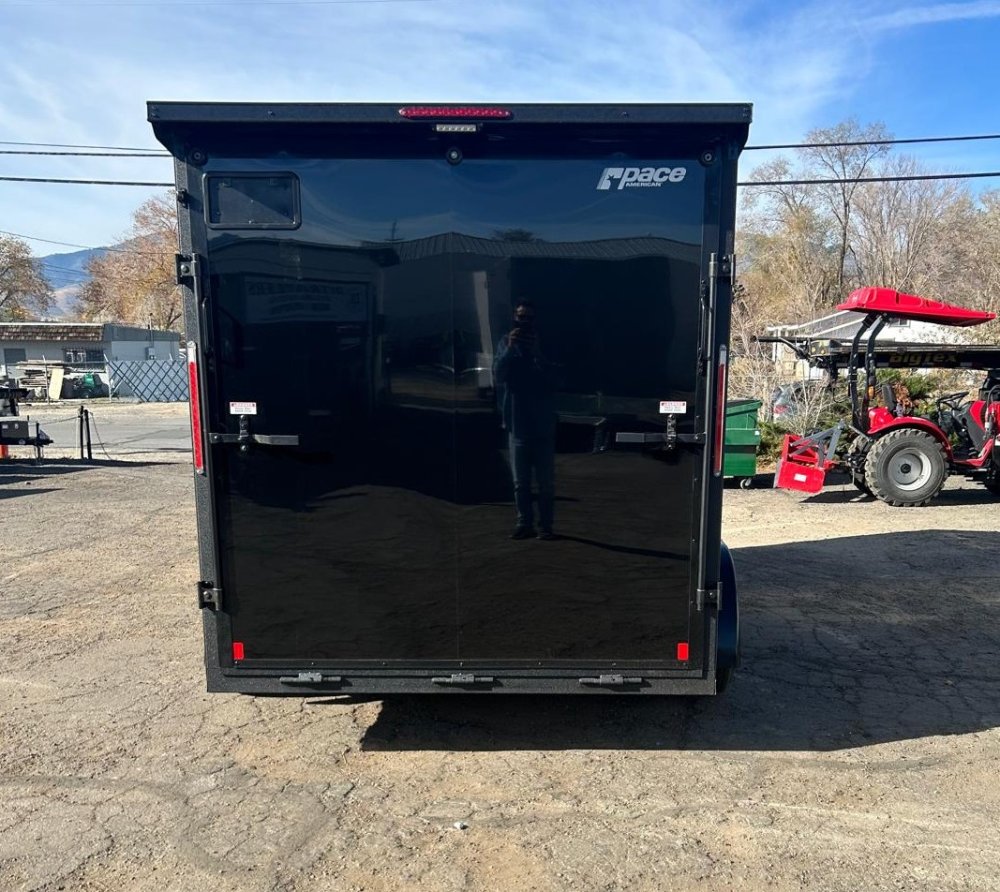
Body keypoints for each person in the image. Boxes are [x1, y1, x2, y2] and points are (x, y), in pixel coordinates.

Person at [493, 300, 557, 540]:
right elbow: (498, 375)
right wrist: (510, 348)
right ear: (514, 318)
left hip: (542, 424)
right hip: (517, 423)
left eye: (529, 318)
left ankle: (546, 526)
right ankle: (524, 523)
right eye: (520, 317)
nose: (524, 322)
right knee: (520, 483)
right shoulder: (505, 343)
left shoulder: (544, 344)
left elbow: (555, 380)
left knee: (545, 483)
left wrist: (538, 353)